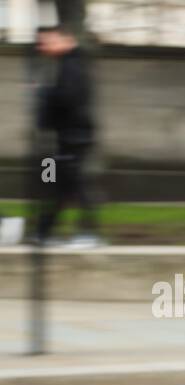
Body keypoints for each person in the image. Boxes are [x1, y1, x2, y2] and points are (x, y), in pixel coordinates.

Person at [33, 25, 101, 248]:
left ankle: (88, 233)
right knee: (60, 185)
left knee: (72, 184)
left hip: (74, 137)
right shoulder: (67, 64)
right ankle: (45, 233)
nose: (42, 47)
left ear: (66, 40)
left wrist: (46, 95)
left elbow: (68, 99)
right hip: (70, 136)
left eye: (47, 41)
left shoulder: (72, 65)